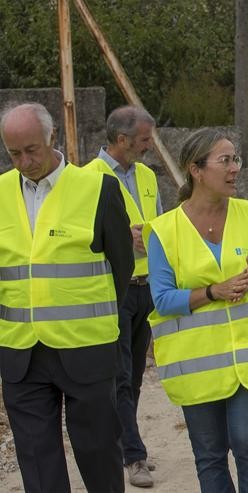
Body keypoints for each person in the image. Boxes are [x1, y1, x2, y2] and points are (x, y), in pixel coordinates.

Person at [145, 128, 248, 492]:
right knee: (209, 454)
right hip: (198, 365)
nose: (235, 168)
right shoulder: (164, 230)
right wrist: (213, 291)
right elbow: (162, 298)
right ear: (196, 170)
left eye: (235, 159)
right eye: (225, 160)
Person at [0, 102, 133, 492]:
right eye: (13, 153)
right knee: (37, 463)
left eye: (31, 150)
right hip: (20, 354)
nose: (24, 161)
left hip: (87, 349)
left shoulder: (98, 188)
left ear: (51, 137)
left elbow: (120, 268)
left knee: (98, 456)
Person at [86, 105, 161, 487]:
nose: (150, 146)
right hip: (112, 291)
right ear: (121, 140)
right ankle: (134, 455)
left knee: (132, 379)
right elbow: (78, 243)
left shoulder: (146, 175)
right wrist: (119, 238)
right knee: (119, 376)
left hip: (145, 289)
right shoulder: (86, 180)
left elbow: (161, 227)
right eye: (145, 140)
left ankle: (119, 443)